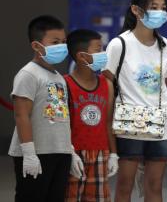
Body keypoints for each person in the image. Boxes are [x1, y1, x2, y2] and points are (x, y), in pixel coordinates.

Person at [103, 0, 167, 202]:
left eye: (163, 8)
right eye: (154, 7)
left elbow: (166, 85)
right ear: (136, 10)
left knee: (155, 185)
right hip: (129, 122)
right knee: (125, 184)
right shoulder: (120, 44)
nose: (160, 12)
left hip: (162, 122)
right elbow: (108, 81)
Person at [8, 15, 81, 201]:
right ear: (36, 45)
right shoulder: (28, 74)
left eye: (64, 42)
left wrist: (69, 150)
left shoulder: (58, 77)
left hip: (59, 152)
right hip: (37, 153)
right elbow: (21, 115)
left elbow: (61, 117)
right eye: (55, 42)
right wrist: (29, 154)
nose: (62, 46)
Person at [64, 29, 118, 202]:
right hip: (73, 152)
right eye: (98, 49)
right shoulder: (63, 84)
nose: (103, 53)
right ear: (82, 56)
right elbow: (59, 124)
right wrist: (70, 153)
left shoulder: (107, 84)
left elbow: (108, 122)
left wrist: (114, 154)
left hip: (100, 152)